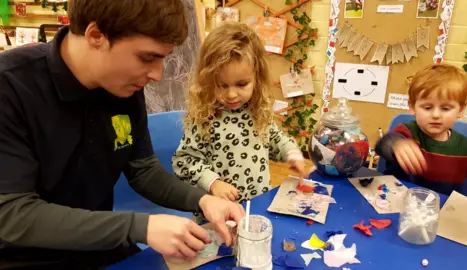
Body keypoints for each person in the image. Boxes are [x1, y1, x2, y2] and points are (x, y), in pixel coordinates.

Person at [0, 1, 245, 269]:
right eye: (147, 57)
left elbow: (142, 170)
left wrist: (201, 199)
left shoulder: (123, 87)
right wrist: (140, 226)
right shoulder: (10, 87)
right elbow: (12, 213)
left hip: (102, 247)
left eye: (163, 58)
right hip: (28, 259)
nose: (157, 74)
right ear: (96, 36)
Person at [172, 23, 306, 213]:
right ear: (208, 81)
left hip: (258, 205)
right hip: (219, 213)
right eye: (222, 85)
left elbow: (275, 139)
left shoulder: (257, 110)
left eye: (241, 84)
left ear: (257, 79)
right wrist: (213, 183)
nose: (232, 94)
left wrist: (291, 152)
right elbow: (184, 161)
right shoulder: (205, 117)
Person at [375, 64, 467, 211]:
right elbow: (382, 145)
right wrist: (396, 144)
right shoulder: (407, 131)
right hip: (396, 205)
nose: (436, 115)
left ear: (461, 110)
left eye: (445, 108)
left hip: (439, 212)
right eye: (427, 107)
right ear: (412, 107)